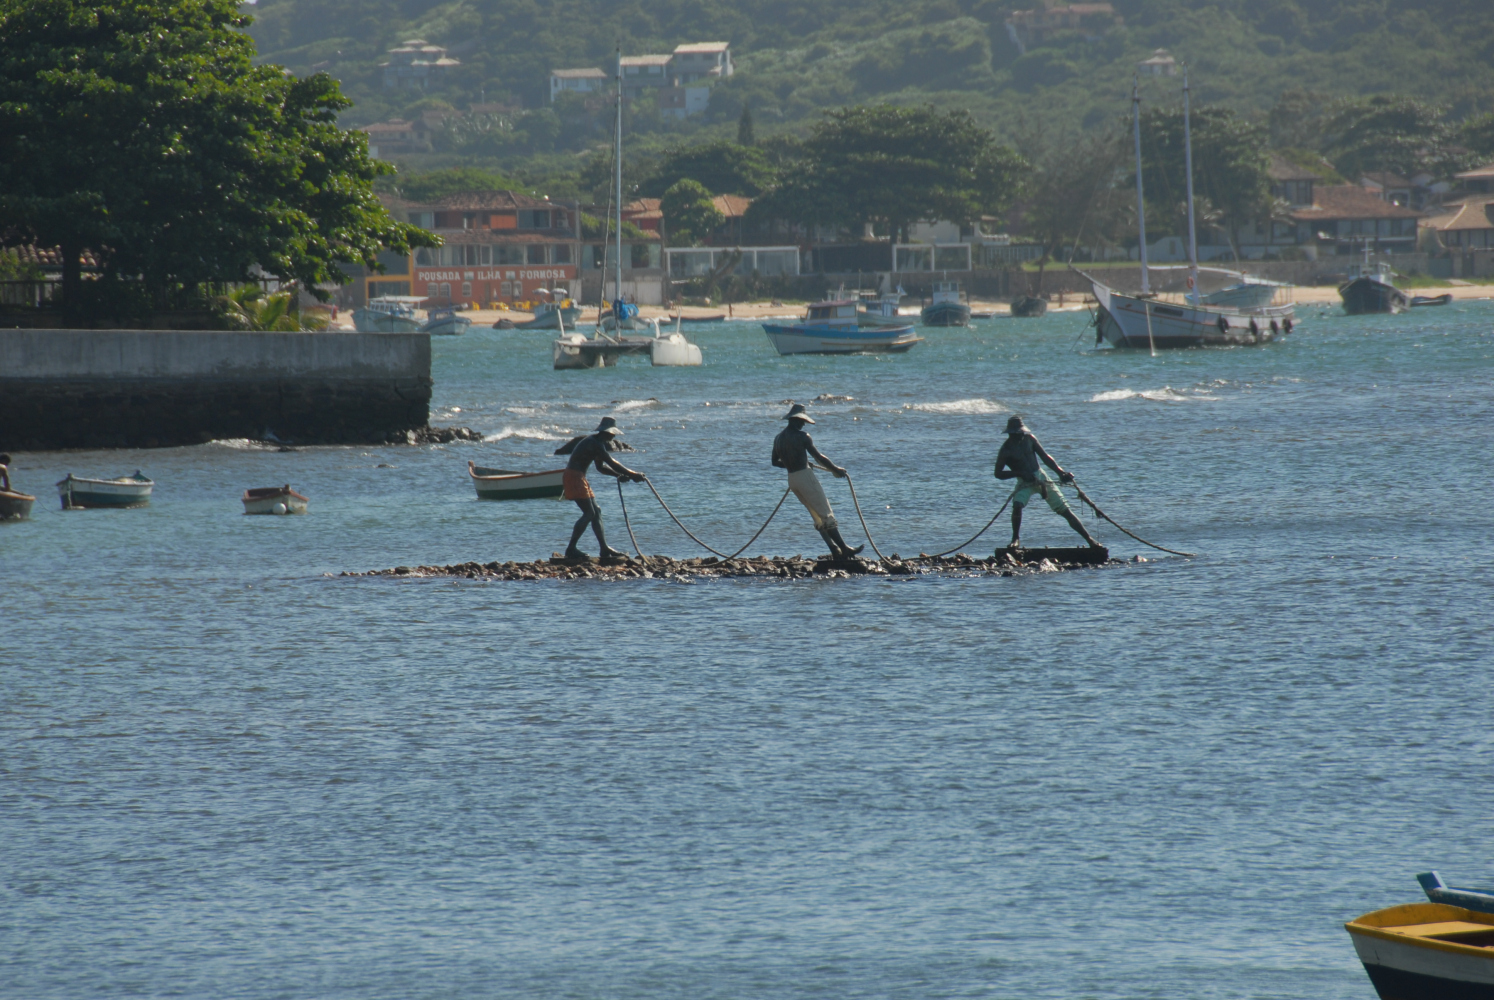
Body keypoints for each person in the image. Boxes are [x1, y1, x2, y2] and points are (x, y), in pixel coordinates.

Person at [993, 416, 1101, 550]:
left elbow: (1045, 457)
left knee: (1064, 510)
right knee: (1017, 506)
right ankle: (1015, 539)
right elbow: (998, 473)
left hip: (1041, 476)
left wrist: (1061, 473)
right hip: (1024, 482)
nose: (1019, 436)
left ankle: (1090, 540)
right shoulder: (1006, 450)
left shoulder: (1030, 439)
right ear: (1010, 434)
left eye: (1020, 433)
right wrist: (1020, 473)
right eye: (1016, 434)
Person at [772, 403, 863, 560]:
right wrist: (836, 469)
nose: (803, 424)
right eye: (802, 421)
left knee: (816, 515)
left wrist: (793, 463)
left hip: (792, 479)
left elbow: (775, 462)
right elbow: (819, 457)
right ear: (796, 420)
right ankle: (844, 549)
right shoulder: (803, 436)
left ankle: (834, 550)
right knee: (825, 513)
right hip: (805, 477)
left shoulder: (778, 438)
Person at [563, 417, 644, 561]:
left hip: (579, 477)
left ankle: (604, 548)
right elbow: (611, 462)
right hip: (574, 477)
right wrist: (633, 474)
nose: (614, 437)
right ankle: (571, 549)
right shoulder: (594, 443)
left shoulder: (597, 443)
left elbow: (600, 467)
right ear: (606, 432)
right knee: (589, 513)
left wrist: (619, 475)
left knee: (596, 512)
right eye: (612, 434)